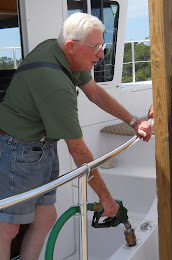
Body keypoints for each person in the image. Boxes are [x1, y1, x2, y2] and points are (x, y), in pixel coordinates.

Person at [0, 13, 152, 260]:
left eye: (102, 46)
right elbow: (78, 150)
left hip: (41, 147)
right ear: (71, 46)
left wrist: (133, 122)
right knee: (6, 228)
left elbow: (95, 93)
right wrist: (106, 199)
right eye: (96, 47)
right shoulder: (55, 82)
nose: (101, 54)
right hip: (17, 150)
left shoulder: (62, 54)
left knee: (46, 218)